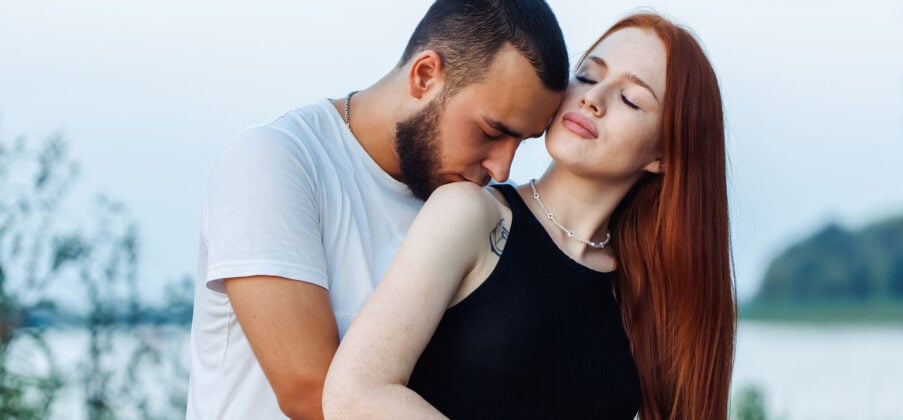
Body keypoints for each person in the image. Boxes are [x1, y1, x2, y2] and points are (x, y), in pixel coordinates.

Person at [322, 11, 737, 420]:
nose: (593, 99)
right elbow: (356, 393)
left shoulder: (644, 292)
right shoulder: (471, 214)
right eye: (588, 76)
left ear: (664, 155)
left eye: (630, 99)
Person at [185, 1, 569, 418]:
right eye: (491, 132)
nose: (501, 168)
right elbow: (312, 393)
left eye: (522, 143)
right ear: (425, 76)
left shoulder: (474, 210)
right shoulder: (274, 161)